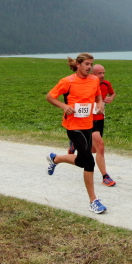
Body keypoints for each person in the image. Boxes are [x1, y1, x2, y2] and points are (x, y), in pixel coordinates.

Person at [45, 53, 107, 214]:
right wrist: (64, 106)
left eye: (91, 64)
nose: (89, 67)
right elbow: (50, 97)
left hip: (88, 124)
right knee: (89, 162)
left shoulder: (94, 80)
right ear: (78, 65)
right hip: (73, 126)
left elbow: (98, 96)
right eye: (86, 64)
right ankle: (93, 201)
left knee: (81, 161)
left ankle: (55, 159)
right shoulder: (67, 81)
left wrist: (100, 104)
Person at [69, 64, 117, 186]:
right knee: (100, 146)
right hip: (88, 120)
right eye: (99, 73)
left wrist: (111, 98)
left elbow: (112, 93)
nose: (102, 75)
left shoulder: (106, 84)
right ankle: (105, 177)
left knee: (94, 149)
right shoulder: (88, 84)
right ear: (93, 74)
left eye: (103, 73)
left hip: (100, 119)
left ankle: (76, 144)